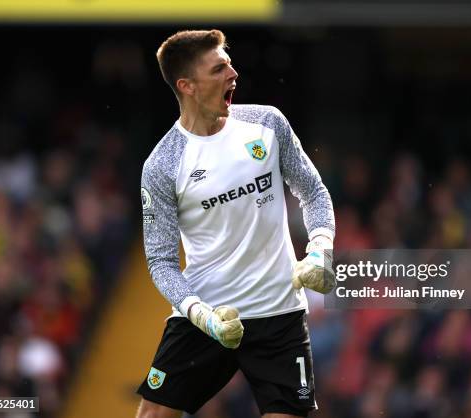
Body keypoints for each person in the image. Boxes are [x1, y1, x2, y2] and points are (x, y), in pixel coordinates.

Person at [136, 29, 336, 418]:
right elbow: (160, 260)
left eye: (229, 63)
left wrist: (320, 249)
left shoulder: (266, 124)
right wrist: (202, 316)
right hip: (208, 316)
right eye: (219, 68)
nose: (233, 74)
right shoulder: (162, 164)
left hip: (278, 314)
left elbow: (314, 193)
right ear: (187, 86)